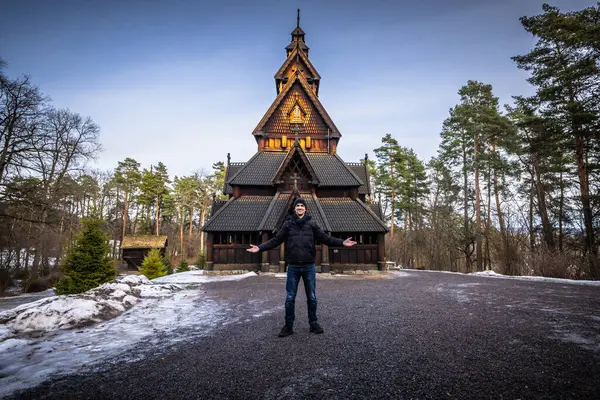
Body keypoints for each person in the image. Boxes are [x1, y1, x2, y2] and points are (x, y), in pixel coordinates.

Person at [247, 197, 357, 337]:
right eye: (297, 205)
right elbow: (276, 240)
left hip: (309, 267)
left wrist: (342, 243)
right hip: (293, 267)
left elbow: (326, 239)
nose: (299, 207)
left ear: (306, 209)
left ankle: (313, 323)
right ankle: (288, 326)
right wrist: (260, 248)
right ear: (295, 208)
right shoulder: (288, 225)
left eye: (301, 206)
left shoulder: (312, 224)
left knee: (311, 297)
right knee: (290, 298)